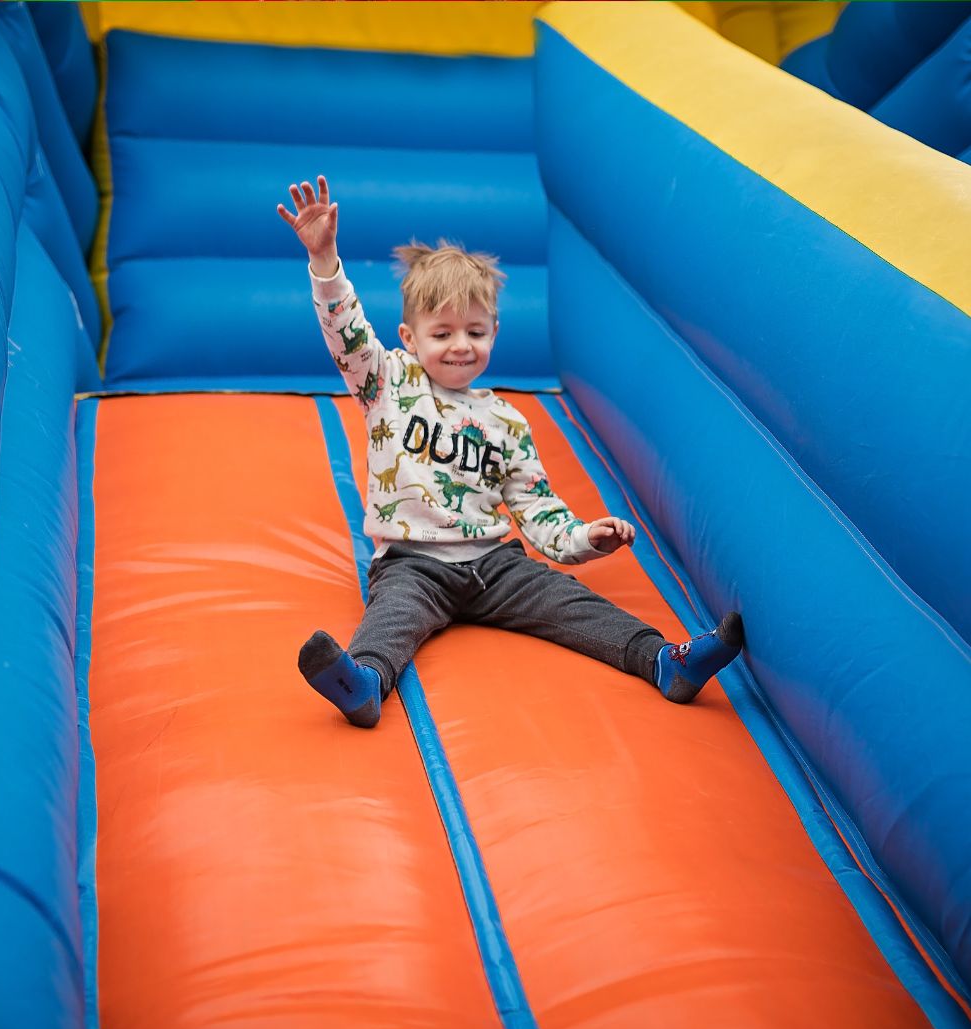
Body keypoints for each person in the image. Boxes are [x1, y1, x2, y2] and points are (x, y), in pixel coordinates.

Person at [277, 176, 743, 729]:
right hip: (413, 563)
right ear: (409, 336)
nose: (460, 345)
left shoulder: (506, 420)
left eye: (475, 331)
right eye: (442, 332)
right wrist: (325, 260)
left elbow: (534, 505)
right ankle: (365, 684)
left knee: (572, 604)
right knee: (391, 620)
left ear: (495, 331)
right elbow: (346, 333)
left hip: (495, 564)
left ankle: (665, 662)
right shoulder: (386, 381)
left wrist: (582, 539)